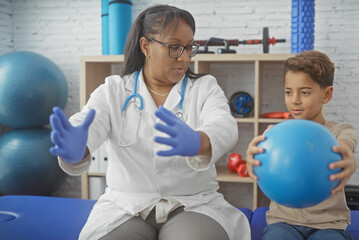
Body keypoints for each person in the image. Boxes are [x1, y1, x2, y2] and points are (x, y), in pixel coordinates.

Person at [49, 4, 250, 240]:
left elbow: (224, 124)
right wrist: (76, 149)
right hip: (125, 206)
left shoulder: (204, 87)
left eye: (189, 47)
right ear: (146, 46)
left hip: (193, 203)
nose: (185, 57)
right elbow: (89, 123)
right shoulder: (114, 91)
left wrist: (199, 141)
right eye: (175, 47)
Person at [246, 50, 358, 240]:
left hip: (329, 225)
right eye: (288, 92)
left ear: (327, 94)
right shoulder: (275, 134)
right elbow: (259, 158)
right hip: (283, 222)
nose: (294, 100)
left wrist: (345, 157)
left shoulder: (340, 131)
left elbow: (344, 147)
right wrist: (251, 157)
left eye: (304, 92)